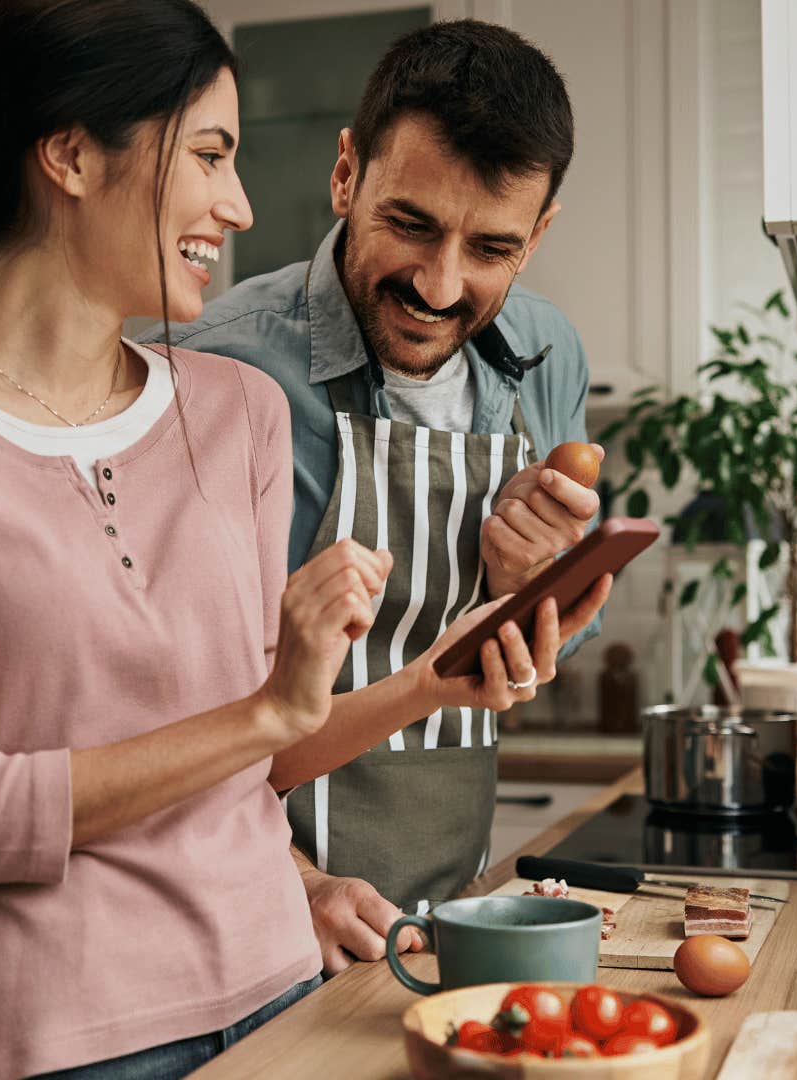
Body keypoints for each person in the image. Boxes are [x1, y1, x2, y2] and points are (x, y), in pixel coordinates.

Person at [0, 3, 596, 1076]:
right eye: (211, 153)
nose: (244, 205)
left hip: (284, 997)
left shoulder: (231, 409)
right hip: (57, 1037)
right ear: (71, 154)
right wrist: (271, 712)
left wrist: (445, 674)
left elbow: (253, 758)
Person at [161, 20, 610, 974]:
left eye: (491, 246)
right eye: (411, 224)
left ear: (538, 235)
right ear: (346, 175)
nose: (440, 285)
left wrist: (538, 591)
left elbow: (532, 664)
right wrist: (297, 882)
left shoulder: (547, 356)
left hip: (458, 913)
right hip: (259, 920)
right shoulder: (216, 367)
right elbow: (167, 715)